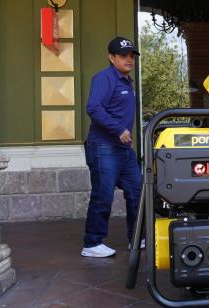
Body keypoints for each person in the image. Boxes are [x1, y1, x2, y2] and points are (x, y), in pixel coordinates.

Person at [81, 36, 143, 258]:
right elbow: (94, 108)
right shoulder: (105, 78)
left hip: (123, 150)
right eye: (123, 56)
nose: (129, 60)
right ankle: (92, 243)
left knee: (137, 191)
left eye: (131, 56)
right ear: (111, 57)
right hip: (103, 146)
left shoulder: (127, 82)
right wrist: (119, 129)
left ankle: (137, 238)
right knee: (103, 194)